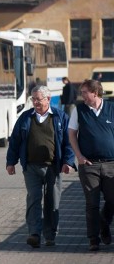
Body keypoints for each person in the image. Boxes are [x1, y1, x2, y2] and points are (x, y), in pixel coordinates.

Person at [6, 85, 75, 248]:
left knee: (52, 201)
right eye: (33, 99)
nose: (36, 102)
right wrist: (11, 162)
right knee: (33, 199)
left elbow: (68, 142)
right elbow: (15, 140)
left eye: (39, 99)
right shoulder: (25, 117)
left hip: (53, 167)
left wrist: (68, 162)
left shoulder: (59, 116)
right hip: (31, 167)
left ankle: (50, 235)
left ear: (48, 99)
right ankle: (34, 234)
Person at [68, 79, 114, 251]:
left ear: (95, 92)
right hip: (89, 165)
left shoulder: (111, 108)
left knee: (112, 200)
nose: (82, 96)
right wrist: (78, 156)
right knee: (92, 203)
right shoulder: (79, 110)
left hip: (111, 163)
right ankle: (93, 239)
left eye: (84, 92)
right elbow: (72, 134)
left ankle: (104, 223)